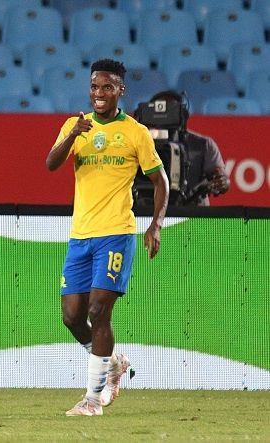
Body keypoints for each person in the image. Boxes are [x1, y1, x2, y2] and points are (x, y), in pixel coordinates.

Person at [45, 59, 170, 416]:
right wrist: (72, 135)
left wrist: (155, 225)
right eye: (95, 87)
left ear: (120, 91)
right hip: (80, 234)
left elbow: (160, 181)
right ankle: (113, 363)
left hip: (116, 233)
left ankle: (92, 399)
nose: (99, 94)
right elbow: (51, 164)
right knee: (71, 316)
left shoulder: (135, 132)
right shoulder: (74, 125)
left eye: (107, 87)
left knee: (99, 311)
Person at [148, 90, 230, 206]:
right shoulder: (137, 143)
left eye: (170, 111)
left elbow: (219, 175)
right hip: (147, 211)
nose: (164, 116)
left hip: (192, 213)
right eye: (160, 110)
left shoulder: (203, 145)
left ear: (183, 115)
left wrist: (222, 181)